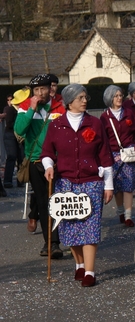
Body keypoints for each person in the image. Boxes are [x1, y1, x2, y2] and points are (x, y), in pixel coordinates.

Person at [41, 84, 114, 286]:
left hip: (92, 182)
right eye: (80, 97)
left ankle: (90, 272)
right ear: (69, 101)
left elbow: (105, 156)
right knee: (70, 226)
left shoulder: (95, 123)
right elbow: (47, 152)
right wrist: (49, 166)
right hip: (65, 182)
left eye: (85, 97)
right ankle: (79, 265)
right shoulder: (56, 126)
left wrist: (109, 185)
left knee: (90, 226)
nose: (84, 101)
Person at [15, 74, 66, 257]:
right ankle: (50, 242)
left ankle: (59, 240)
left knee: (58, 200)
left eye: (43, 89)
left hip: (58, 162)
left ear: (50, 89)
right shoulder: (25, 106)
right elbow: (19, 130)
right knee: (44, 203)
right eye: (35, 90)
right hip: (35, 162)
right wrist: (31, 110)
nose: (39, 93)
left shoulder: (60, 106)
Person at [100, 85, 135, 227]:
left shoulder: (128, 113)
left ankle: (128, 216)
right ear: (110, 98)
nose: (119, 98)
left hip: (128, 153)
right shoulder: (105, 117)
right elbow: (103, 138)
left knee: (128, 185)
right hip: (113, 154)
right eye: (116, 96)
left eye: (120, 95)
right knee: (117, 186)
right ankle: (121, 211)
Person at [2, 90, 25, 188]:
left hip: (15, 134)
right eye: (8, 100)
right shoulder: (9, 109)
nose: (10, 102)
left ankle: (19, 180)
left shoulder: (16, 110)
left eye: (11, 100)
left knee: (19, 157)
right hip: (11, 134)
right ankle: (8, 181)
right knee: (12, 157)